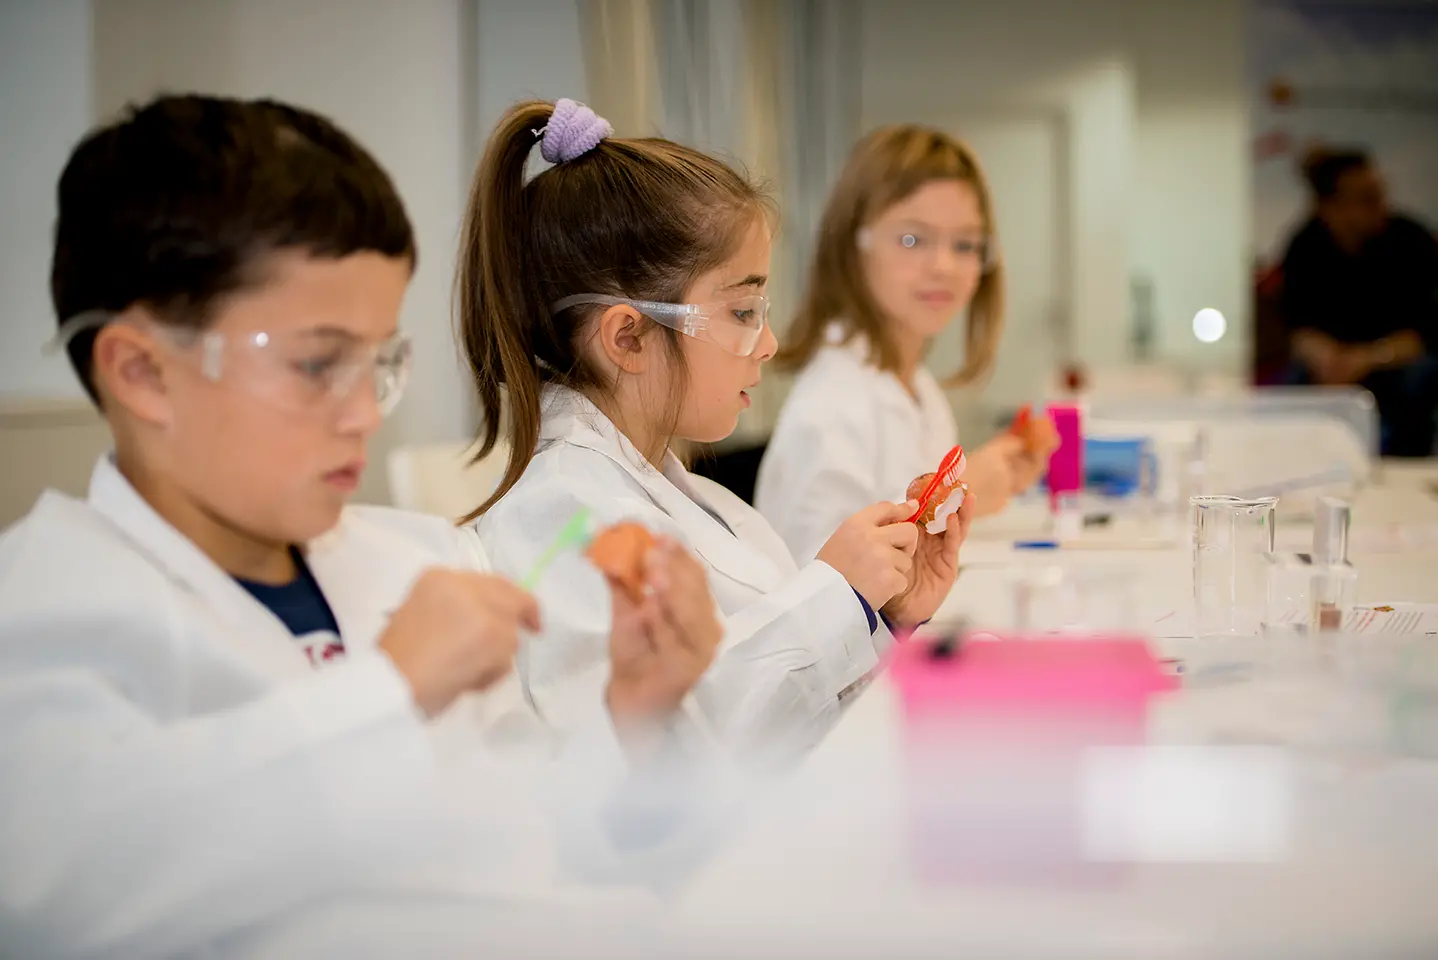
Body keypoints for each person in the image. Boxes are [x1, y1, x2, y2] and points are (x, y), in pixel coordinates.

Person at [0, 94, 727, 959]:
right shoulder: (45, 607)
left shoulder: (414, 562)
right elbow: (62, 890)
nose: (363, 415)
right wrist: (389, 692)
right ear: (144, 373)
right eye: (317, 365)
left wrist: (632, 718)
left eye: (379, 363)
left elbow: (532, 845)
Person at [462, 99, 975, 765]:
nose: (769, 343)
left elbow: (785, 715)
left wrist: (884, 616)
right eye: (742, 311)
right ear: (630, 336)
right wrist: (838, 595)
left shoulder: (691, 499)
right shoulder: (562, 518)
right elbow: (652, 761)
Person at [755, 124, 1056, 564]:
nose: (944, 266)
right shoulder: (831, 406)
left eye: (966, 244)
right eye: (913, 239)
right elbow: (820, 587)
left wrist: (983, 486)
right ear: (853, 246)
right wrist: (963, 492)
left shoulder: (913, 382)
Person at [1281, 147, 1438, 457]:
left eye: (1379, 193)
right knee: (1292, 385)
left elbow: (1426, 334)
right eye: (1366, 197)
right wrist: (1322, 354)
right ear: (1329, 207)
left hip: (1394, 363)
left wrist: (1367, 357)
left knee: (1419, 377)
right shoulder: (1305, 246)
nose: (1381, 205)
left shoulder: (1412, 241)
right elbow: (1295, 326)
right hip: (1333, 368)